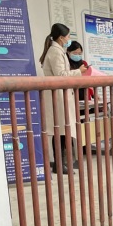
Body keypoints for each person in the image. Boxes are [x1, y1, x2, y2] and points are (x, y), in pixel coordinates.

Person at [39, 23, 86, 174]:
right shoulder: (55, 52)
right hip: (58, 95)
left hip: (61, 95)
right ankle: (59, 164)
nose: (69, 39)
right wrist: (78, 71)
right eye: (68, 36)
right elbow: (61, 75)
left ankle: (61, 163)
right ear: (61, 38)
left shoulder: (59, 50)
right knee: (60, 130)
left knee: (62, 130)